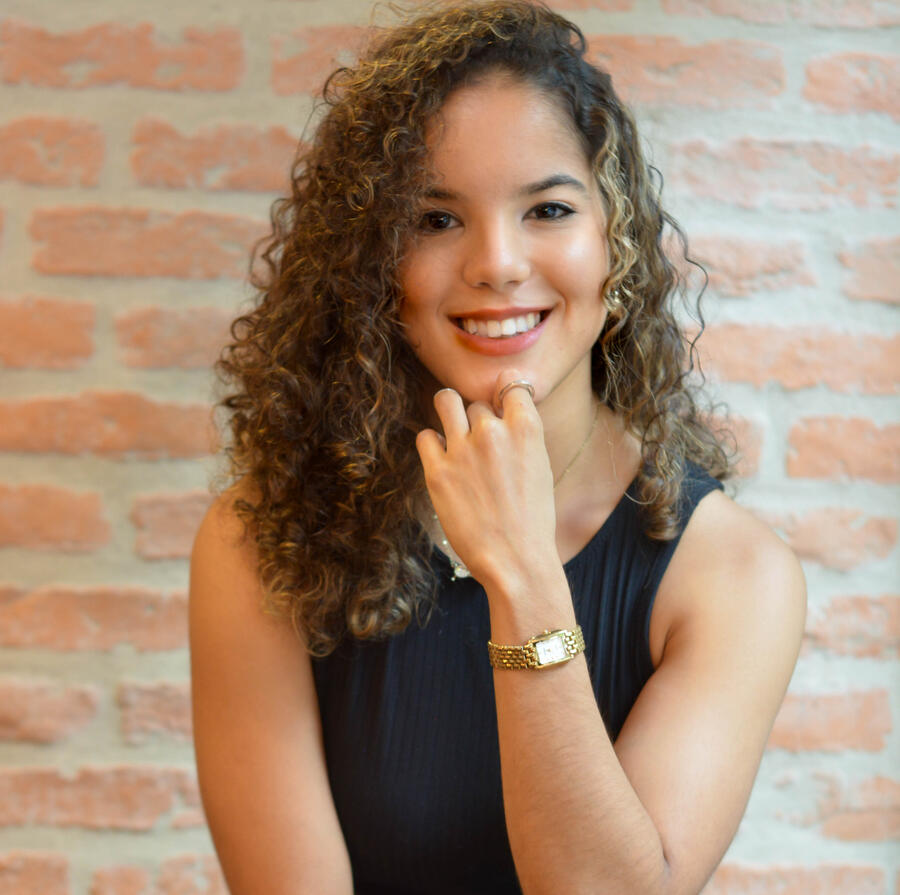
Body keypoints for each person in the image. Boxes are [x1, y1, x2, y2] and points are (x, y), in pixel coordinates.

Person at [189, 2, 806, 892]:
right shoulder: (259, 546)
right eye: (435, 219)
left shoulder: (734, 575)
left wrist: (522, 576)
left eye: (548, 208)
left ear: (617, 247)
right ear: (369, 266)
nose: (498, 263)